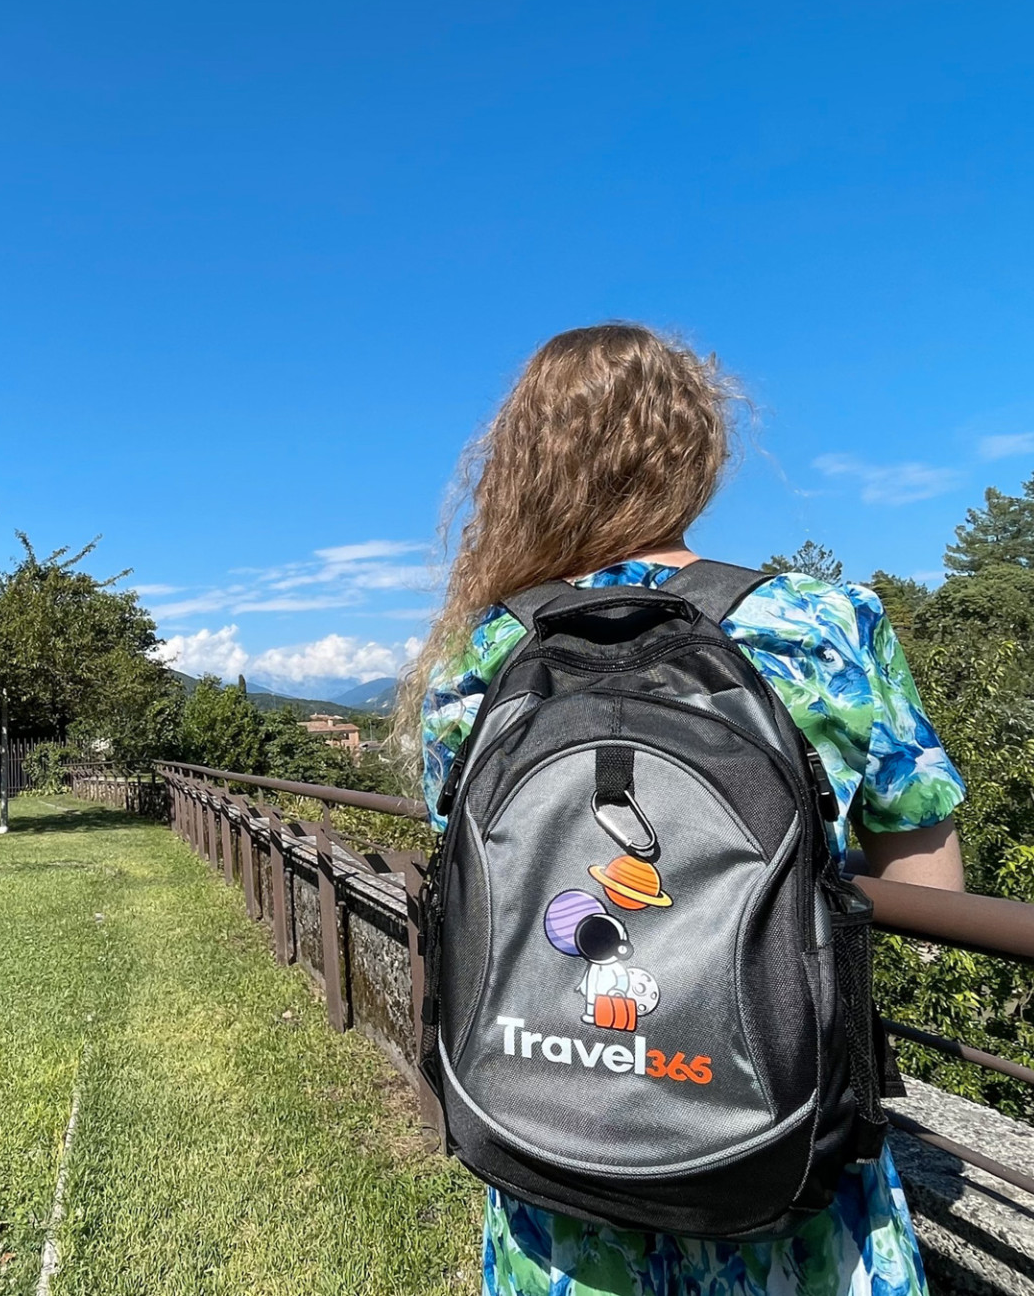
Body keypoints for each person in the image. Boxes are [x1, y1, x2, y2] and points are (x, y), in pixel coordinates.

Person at [405, 323, 966, 1296]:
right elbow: (933, 899)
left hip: (553, 1179)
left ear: (522, 467)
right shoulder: (823, 628)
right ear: (698, 454)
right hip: (780, 1183)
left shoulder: (476, 663)